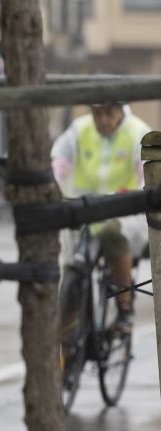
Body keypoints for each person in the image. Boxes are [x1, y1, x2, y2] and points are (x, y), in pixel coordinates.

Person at [52, 101, 151, 334]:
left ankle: (124, 309)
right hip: (84, 210)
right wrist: (53, 185)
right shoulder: (79, 130)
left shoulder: (138, 133)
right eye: (97, 114)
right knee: (73, 264)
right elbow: (59, 162)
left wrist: (139, 190)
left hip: (125, 212)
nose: (102, 120)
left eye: (109, 114)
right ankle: (68, 328)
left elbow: (146, 172)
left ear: (121, 112)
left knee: (113, 236)